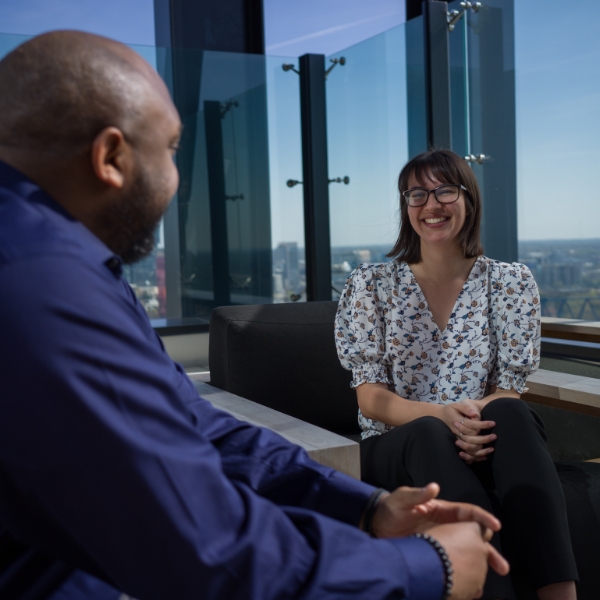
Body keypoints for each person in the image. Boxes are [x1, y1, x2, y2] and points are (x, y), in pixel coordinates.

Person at [0, 32, 508, 600]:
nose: (177, 179)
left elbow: (192, 423)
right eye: (170, 150)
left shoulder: (60, 263)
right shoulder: (41, 286)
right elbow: (207, 551)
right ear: (111, 158)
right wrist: (423, 570)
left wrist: (364, 507)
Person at [335, 149, 578, 600]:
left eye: (445, 190)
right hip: (395, 445)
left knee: (511, 412)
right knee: (429, 432)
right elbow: (370, 398)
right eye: (417, 194)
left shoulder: (509, 283)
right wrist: (444, 417)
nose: (431, 205)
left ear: (469, 200)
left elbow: (508, 388)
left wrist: (466, 421)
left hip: (477, 433)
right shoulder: (370, 285)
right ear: (406, 208)